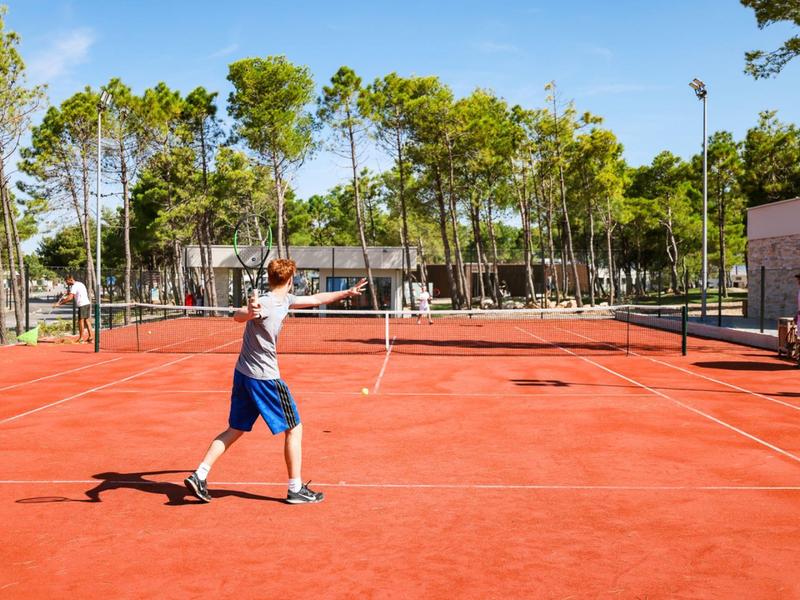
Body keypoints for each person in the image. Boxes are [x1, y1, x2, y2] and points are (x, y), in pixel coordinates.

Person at [184, 258, 367, 504]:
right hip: (264, 378)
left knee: (235, 429)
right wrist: (249, 312)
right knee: (295, 428)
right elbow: (239, 316)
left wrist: (346, 292)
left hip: (243, 374)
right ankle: (295, 489)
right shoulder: (267, 303)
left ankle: (199, 474)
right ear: (290, 280)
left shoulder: (285, 300)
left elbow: (316, 298)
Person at [53, 275, 93, 344]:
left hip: (82, 305)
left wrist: (59, 304)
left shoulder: (74, 286)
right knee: (87, 321)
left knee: (81, 321)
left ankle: (81, 339)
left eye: (67, 282)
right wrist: (68, 293)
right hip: (87, 303)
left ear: (70, 279)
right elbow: (77, 293)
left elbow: (70, 298)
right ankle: (91, 338)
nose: (66, 283)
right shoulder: (80, 284)